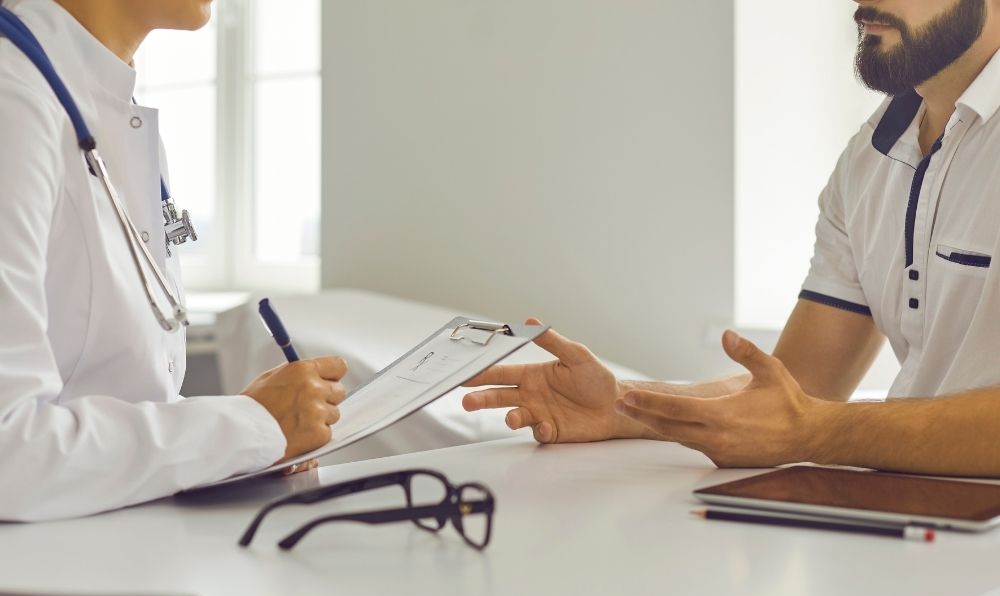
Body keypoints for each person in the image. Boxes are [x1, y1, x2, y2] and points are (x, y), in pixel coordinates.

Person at [464, 0, 1000, 478]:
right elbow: (800, 386)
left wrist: (818, 432)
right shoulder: (870, 158)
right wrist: (625, 404)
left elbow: (807, 419)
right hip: (925, 525)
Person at [0, 0, 345, 521]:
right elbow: (11, 456)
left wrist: (255, 440)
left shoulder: (110, 110)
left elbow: (112, 397)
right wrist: (246, 427)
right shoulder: (14, 99)